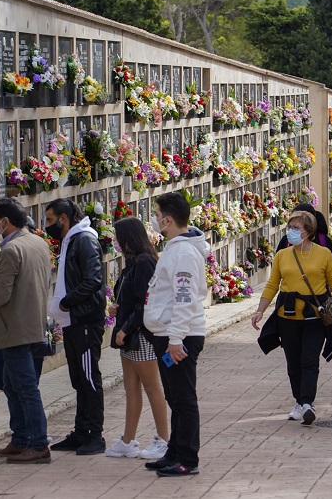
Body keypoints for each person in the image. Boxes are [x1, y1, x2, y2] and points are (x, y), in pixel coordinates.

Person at [252, 210, 332, 426]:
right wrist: (260, 310)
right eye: (290, 227)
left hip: (315, 317)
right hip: (287, 316)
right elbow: (272, 285)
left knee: (309, 360)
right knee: (293, 363)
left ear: (308, 232)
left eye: (296, 228)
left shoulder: (323, 254)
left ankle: (307, 403)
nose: (291, 232)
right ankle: (298, 401)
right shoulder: (282, 255)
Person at [0, 198, 52, 464]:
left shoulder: (11, 250)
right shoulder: (39, 243)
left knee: (26, 388)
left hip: (14, 329)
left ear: (6, 221)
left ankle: (39, 443)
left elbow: (0, 295)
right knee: (11, 384)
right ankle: (20, 439)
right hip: (34, 324)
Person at [143, 192, 209, 477]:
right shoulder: (175, 248)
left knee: (183, 398)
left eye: (157, 217)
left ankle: (188, 459)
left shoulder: (183, 253)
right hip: (169, 335)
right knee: (174, 397)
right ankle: (175, 451)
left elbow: (184, 298)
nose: (155, 221)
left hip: (179, 337)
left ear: (168, 220)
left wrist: (175, 339)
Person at [45, 198, 108, 456]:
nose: (47, 226)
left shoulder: (84, 240)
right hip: (72, 321)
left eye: (50, 220)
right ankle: (81, 431)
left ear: (63, 218)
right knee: (79, 379)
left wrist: (67, 303)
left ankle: (96, 434)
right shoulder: (71, 239)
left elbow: (93, 280)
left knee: (89, 377)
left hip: (84, 320)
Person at [105, 217, 170, 460]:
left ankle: (164, 439)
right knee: (131, 388)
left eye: (118, 237)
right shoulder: (132, 262)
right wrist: (116, 309)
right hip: (128, 335)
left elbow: (147, 303)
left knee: (152, 387)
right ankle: (127, 440)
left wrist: (126, 328)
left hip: (140, 335)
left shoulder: (144, 262)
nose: (116, 242)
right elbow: (130, 297)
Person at [276, 203, 332, 270]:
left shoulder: (323, 240)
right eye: (290, 227)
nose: (292, 231)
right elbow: (276, 268)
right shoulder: (286, 241)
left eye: (296, 227)